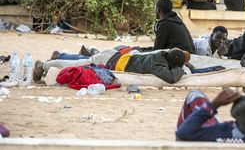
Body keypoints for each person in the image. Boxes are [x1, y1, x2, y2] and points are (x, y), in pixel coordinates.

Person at [33, 48, 190, 84]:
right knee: (77, 65)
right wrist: (181, 69)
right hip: (110, 60)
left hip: (116, 56)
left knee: (82, 61)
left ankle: (54, 59)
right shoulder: (157, 66)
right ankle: (44, 65)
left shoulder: (161, 54)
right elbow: (171, 77)